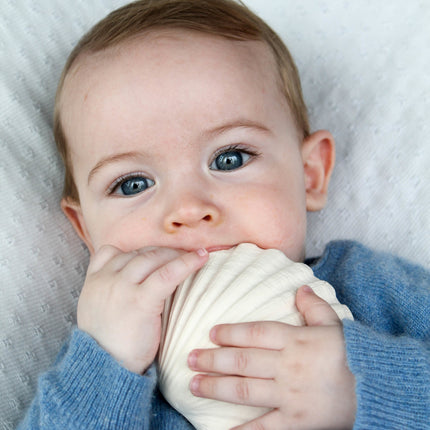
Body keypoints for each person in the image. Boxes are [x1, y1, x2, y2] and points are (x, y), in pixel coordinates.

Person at [19, 0, 430, 429]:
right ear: (87, 230)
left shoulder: (371, 289)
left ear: (309, 175)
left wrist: (370, 388)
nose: (189, 209)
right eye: (133, 185)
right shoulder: (103, 363)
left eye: (230, 158)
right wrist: (106, 362)